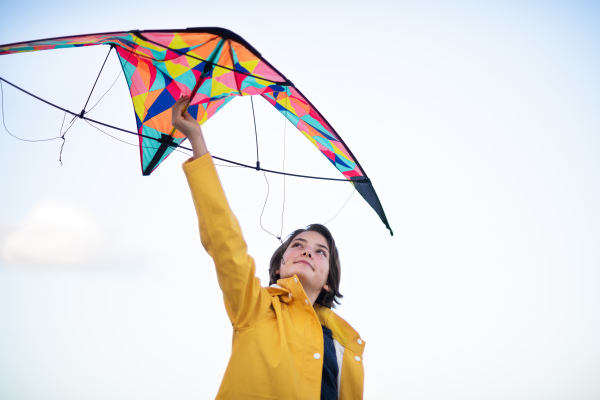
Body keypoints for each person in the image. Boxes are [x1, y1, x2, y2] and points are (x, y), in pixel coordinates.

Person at [173, 96, 365, 399]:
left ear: (329, 282)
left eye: (320, 251)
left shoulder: (345, 344)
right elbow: (226, 244)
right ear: (279, 265)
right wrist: (197, 140)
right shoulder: (255, 307)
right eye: (298, 245)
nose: (307, 252)